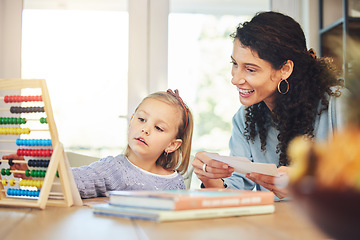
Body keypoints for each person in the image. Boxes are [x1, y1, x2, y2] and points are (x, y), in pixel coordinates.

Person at [192, 11, 345, 199]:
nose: (235, 79)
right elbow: (235, 191)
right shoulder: (245, 118)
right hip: (274, 227)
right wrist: (210, 177)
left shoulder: (338, 107)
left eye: (250, 69)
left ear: (285, 69)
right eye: (234, 64)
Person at [5, 89, 193, 199]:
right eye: (142, 119)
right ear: (130, 122)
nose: (145, 129)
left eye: (159, 128)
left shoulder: (175, 181)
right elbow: (77, 180)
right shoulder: (113, 169)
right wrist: (38, 170)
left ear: (172, 145)